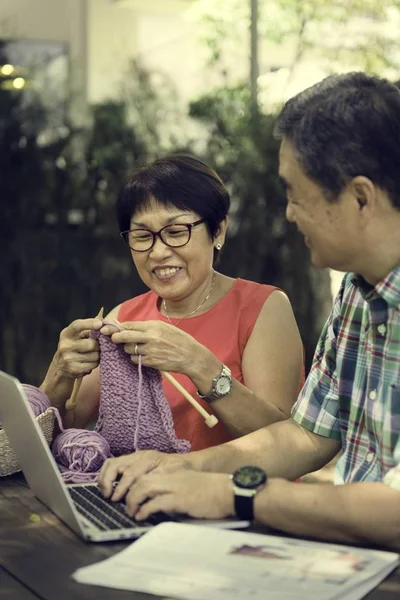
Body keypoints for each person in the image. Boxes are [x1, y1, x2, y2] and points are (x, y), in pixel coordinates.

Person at [98, 72, 400, 550]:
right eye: (142, 235)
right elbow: (303, 439)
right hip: (357, 560)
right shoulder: (357, 297)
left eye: (295, 193)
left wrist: (232, 493)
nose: (288, 213)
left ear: (360, 197)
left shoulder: (264, 305)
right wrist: (178, 467)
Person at [40, 154, 304, 451]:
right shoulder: (123, 319)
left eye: (176, 232)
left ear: (218, 230)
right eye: (142, 236)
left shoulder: (265, 308)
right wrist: (58, 378)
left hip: (234, 494)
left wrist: (199, 365)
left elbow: (284, 442)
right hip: (136, 494)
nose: (158, 252)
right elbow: (66, 430)